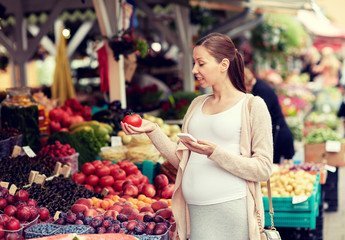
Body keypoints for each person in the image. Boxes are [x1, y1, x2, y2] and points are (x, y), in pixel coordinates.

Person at [121, 32, 273, 240]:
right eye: (194, 63)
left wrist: (215, 153)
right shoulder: (196, 105)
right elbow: (183, 161)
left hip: (231, 210)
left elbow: (263, 169)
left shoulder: (252, 106)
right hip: (194, 212)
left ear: (224, 64)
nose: (194, 70)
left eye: (201, 64)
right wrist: (153, 130)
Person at [244, 68, 295, 164]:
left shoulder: (261, 91)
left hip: (279, 138)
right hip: (279, 134)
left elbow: (260, 118)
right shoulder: (259, 86)